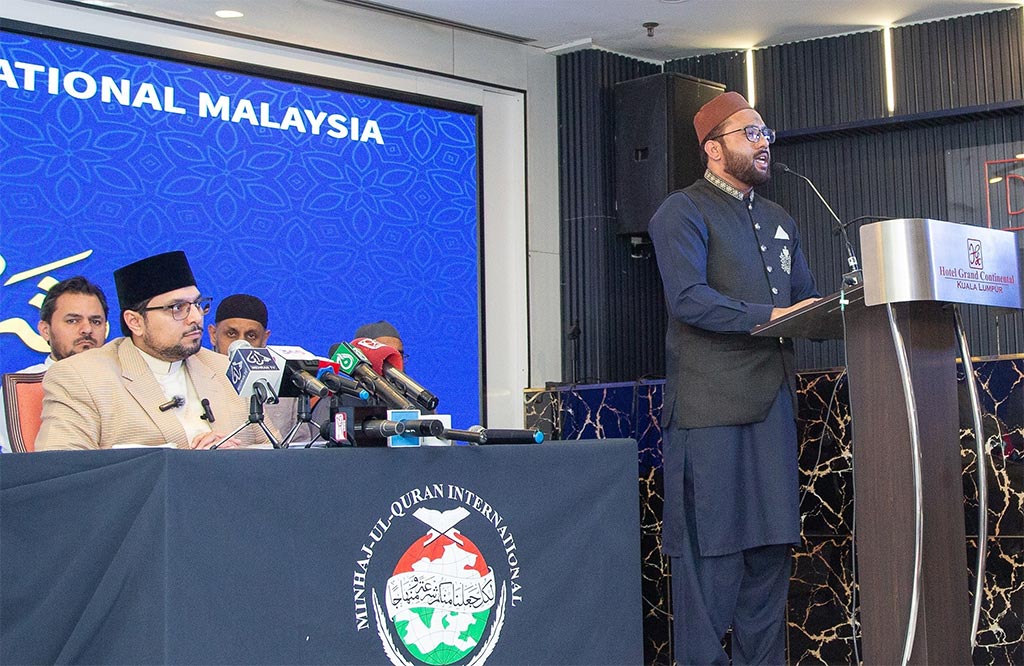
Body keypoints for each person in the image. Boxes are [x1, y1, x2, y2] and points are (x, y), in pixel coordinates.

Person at [648, 91, 819, 664]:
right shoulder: (683, 210)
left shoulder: (780, 219)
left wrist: (863, 309)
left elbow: (805, 306)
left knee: (770, 561)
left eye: (766, 132)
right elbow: (690, 300)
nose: (764, 142)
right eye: (751, 133)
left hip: (772, 410)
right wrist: (771, 318)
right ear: (714, 148)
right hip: (710, 413)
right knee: (711, 569)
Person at [36, 251, 278, 451]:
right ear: (135, 322)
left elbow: (278, 454)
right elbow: (62, 473)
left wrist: (238, 459)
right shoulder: (80, 378)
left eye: (197, 304)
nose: (195, 318)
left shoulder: (227, 370)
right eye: (177, 308)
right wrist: (184, 466)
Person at [0, 276, 109, 452]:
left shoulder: (127, 381)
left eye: (95, 321)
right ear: (45, 330)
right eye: (72, 320)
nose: (87, 329)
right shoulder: (21, 387)